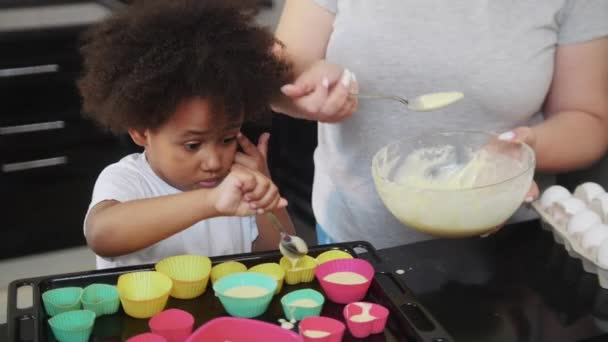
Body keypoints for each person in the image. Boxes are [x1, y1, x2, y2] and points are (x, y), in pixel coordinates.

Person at [272, 0, 608, 248]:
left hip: (510, 247)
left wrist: (527, 149)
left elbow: (588, 118)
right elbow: (274, 77)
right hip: (357, 241)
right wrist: (304, 87)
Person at [78, 0, 294, 269]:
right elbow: (102, 236)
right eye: (193, 145)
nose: (214, 162)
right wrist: (210, 202)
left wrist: (265, 195)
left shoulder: (234, 184)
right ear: (141, 132)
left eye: (227, 139)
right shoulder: (128, 180)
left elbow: (282, 254)